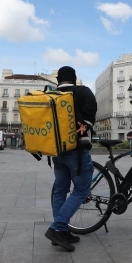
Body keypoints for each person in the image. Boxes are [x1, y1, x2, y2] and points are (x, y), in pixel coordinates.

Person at [45, 66, 97, 252]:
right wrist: (86, 124)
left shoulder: (51, 95)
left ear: (59, 79)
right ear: (74, 78)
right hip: (77, 150)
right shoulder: (82, 91)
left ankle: (62, 231)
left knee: (60, 190)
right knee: (82, 190)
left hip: (57, 151)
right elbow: (91, 109)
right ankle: (57, 228)